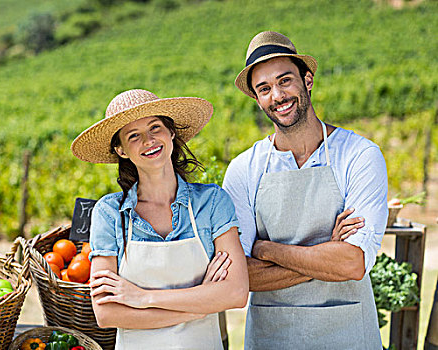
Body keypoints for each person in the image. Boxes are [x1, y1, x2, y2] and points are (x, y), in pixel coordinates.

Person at [222, 31, 388, 349]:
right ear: (256, 99)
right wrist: (327, 253)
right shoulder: (244, 169)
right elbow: (239, 278)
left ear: (307, 80)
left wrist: (264, 249)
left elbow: (353, 264)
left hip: (348, 334)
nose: (278, 95)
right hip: (273, 336)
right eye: (265, 88)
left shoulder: (359, 155)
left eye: (285, 81)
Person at [71, 88, 249, 350]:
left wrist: (142, 297)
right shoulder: (109, 212)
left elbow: (235, 293)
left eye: (155, 127)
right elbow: (107, 314)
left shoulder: (211, 202)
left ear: (171, 132)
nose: (149, 140)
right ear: (120, 150)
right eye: (134, 136)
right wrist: (197, 308)